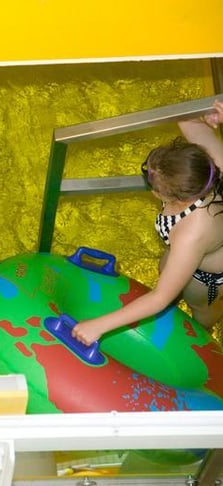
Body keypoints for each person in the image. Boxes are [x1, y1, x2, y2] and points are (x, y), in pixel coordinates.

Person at [72, 100, 223, 346]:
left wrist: (98, 326)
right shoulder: (209, 165)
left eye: (154, 186)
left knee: (201, 309)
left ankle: (201, 338)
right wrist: (211, 117)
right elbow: (185, 116)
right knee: (167, 270)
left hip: (205, 277)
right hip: (191, 251)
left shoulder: (191, 233)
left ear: (178, 199)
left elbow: (159, 299)